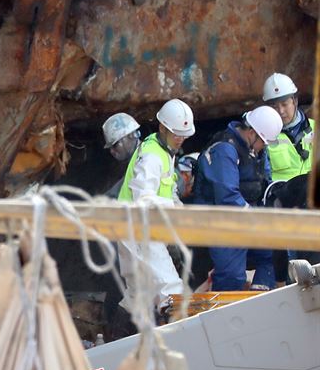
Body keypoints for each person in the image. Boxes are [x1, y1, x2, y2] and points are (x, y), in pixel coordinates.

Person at [190, 106, 283, 291]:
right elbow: (227, 196)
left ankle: (260, 298)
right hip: (219, 221)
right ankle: (224, 314)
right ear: (251, 133)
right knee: (232, 277)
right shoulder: (224, 149)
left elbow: (266, 184)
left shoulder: (256, 150)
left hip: (245, 218)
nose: (264, 147)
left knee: (277, 253)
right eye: (263, 142)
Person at [116, 98, 195, 312]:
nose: (180, 139)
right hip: (137, 229)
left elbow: (168, 189)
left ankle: (119, 336)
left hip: (133, 228)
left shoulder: (163, 150)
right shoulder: (152, 156)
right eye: (176, 133)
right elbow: (143, 198)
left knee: (138, 295)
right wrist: (175, 208)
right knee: (171, 291)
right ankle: (182, 333)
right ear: (163, 127)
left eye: (184, 135)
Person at [262, 73, 314, 181]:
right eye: (274, 107)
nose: (281, 111)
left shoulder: (315, 128)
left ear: (295, 101)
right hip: (280, 195)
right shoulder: (263, 135)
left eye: (285, 104)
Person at [102, 113, 141, 196]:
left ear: (131, 135)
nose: (112, 151)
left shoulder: (144, 158)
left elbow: (123, 187)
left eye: (115, 145)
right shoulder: (135, 159)